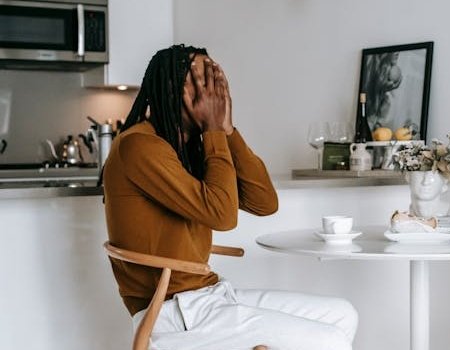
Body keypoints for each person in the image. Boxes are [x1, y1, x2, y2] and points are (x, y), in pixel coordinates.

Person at [102, 45, 358, 350]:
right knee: (329, 340)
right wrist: (212, 131)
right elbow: (223, 215)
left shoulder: (185, 147)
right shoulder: (140, 146)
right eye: (203, 79)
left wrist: (226, 130)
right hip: (173, 312)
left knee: (342, 316)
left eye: (217, 77)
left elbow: (264, 202)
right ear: (173, 89)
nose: (216, 90)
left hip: (209, 298)